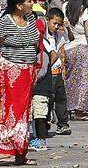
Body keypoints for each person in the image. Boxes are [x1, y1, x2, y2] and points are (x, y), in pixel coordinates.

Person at [0, 0, 41, 165]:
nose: (33, 3)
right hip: (9, 71)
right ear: (19, 5)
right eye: (29, 1)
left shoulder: (31, 19)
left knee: (24, 111)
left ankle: (20, 151)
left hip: (28, 70)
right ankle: (7, 148)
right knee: (12, 109)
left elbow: (35, 44)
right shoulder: (4, 23)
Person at [63, 0, 88, 120]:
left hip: (69, 47)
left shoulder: (65, 7)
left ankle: (68, 107)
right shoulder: (86, 12)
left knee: (70, 78)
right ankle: (80, 110)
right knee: (83, 79)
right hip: (83, 47)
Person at [29, 12, 59, 152]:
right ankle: (34, 138)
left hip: (41, 87)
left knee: (40, 114)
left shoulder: (43, 46)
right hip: (34, 87)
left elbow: (48, 60)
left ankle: (41, 140)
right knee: (33, 115)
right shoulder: (32, 47)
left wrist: (36, 77)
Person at [44, 8, 71, 135]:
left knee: (61, 98)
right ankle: (45, 121)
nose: (56, 26)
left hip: (57, 71)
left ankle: (63, 123)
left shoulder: (59, 35)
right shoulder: (43, 35)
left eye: (58, 24)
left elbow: (68, 40)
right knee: (47, 99)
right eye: (54, 23)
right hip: (48, 71)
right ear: (47, 20)